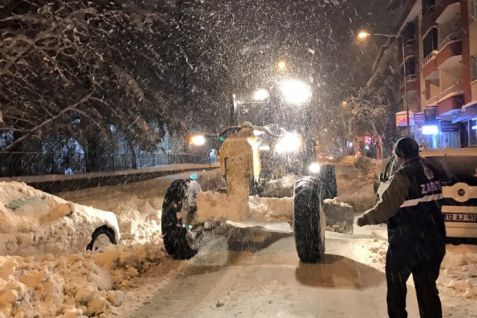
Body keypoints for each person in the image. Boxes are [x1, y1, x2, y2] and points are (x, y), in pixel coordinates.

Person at [357, 137, 446, 318]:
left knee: (396, 288)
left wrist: (365, 219)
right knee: (427, 288)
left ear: (400, 155)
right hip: (433, 239)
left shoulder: (403, 176)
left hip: (407, 242)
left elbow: (386, 208)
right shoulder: (432, 169)